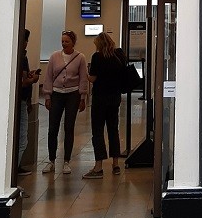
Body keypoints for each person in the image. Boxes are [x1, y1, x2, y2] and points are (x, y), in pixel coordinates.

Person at [42, 30, 88, 175]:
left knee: (69, 128)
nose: (64, 44)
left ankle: (66, 161)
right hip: (57, 94)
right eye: (62, 41)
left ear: (73, 42)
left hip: (72, 94)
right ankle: (51, 160)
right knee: (52, 128)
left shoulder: (80, 57)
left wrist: (82, 97)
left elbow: (83, 78)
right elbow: (48, 76)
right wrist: (47, 96)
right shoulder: (54, 57)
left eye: (67, 41)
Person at [83, 32, 125, 179]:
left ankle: (99, 166)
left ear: (99, 44)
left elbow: (93, 78)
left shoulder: (97, 57)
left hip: (100, 98)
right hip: (114, 98)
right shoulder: (118, 56)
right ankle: (116, 164)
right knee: (113, 130)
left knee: (98, 131)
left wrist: (86, 75)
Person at [18, 28, 39, 175]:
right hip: (21, 100)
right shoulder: (22, 57)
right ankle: (15, 168)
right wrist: (34, 79)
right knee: (22, 139)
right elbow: (23, 82)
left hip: (21, 100)